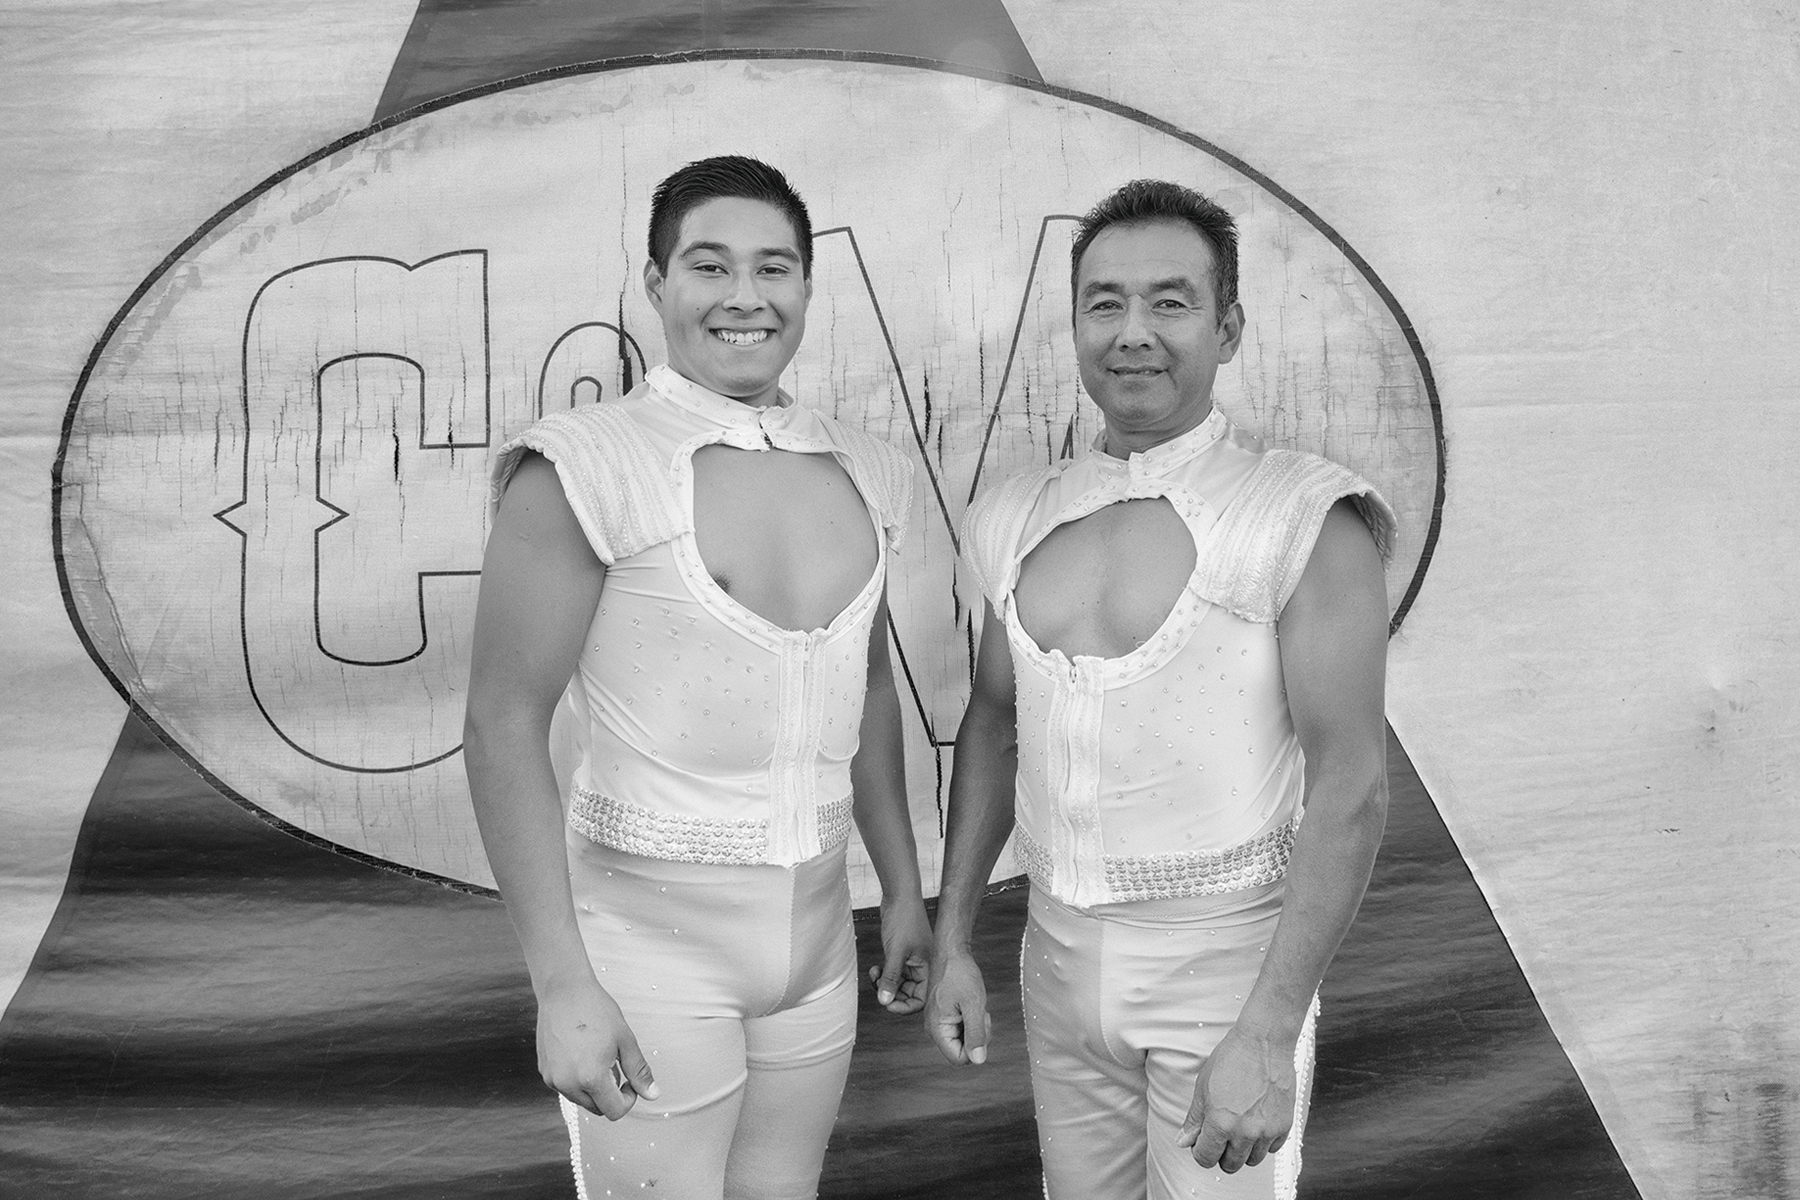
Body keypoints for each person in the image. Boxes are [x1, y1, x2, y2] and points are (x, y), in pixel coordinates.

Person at [465, 155, 931, 1199]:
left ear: (808, 287)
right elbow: (502, 723)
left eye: (774, 268)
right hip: (647, 943)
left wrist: (901, 887)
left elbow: (873, 690)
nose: (744, 296)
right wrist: (562, 982)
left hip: (816, 940)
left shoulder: (865, 465)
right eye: (709, 265)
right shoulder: (584, 464)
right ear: (655, 282)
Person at [924, 179, 1396, 1198]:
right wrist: (957, 935)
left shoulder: (1301, 515)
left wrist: (1269, 1032)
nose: (1133, 332)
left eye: (1170, 303)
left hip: (1225, 968)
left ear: (1227, 330)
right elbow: (994, 727)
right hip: (1055, 962)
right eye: (1105, 303)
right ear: (1078, 324)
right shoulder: (1011, 516)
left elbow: (1352, 783)